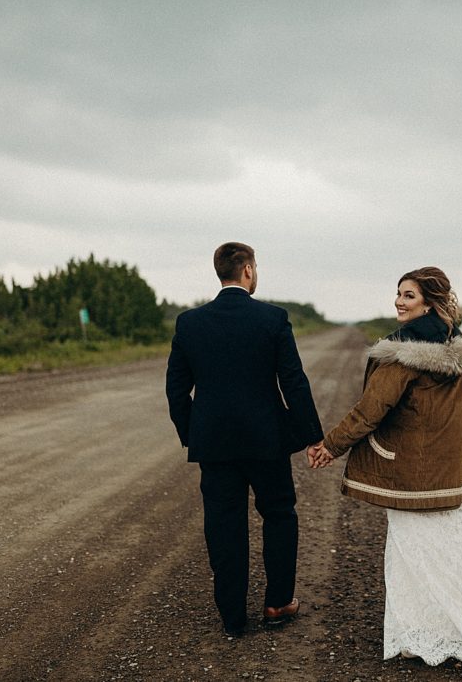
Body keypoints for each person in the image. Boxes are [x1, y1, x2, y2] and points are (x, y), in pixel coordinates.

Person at [308, 267, 462, 675]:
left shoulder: (405, 351)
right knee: (450, 554)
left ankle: (427, 635)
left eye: (409, 296)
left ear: (430, 302)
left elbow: (371, 411)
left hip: (413, 474)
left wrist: (330, 445)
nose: (399, 301)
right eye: (398, 294)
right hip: (452, 467)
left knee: (416, 557)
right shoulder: (457, 345)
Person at [166, 242, 323, 638]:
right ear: (248, 271)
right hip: (266, 440)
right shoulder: (272, 318)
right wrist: (311, 436)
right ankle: (277, 602)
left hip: (215, 445)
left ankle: (233, 617)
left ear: (219, 272)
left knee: (224, 523)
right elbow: (293, 380)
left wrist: (194, 434)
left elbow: (176, 390)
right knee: (279, 514)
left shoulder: (190, 323)